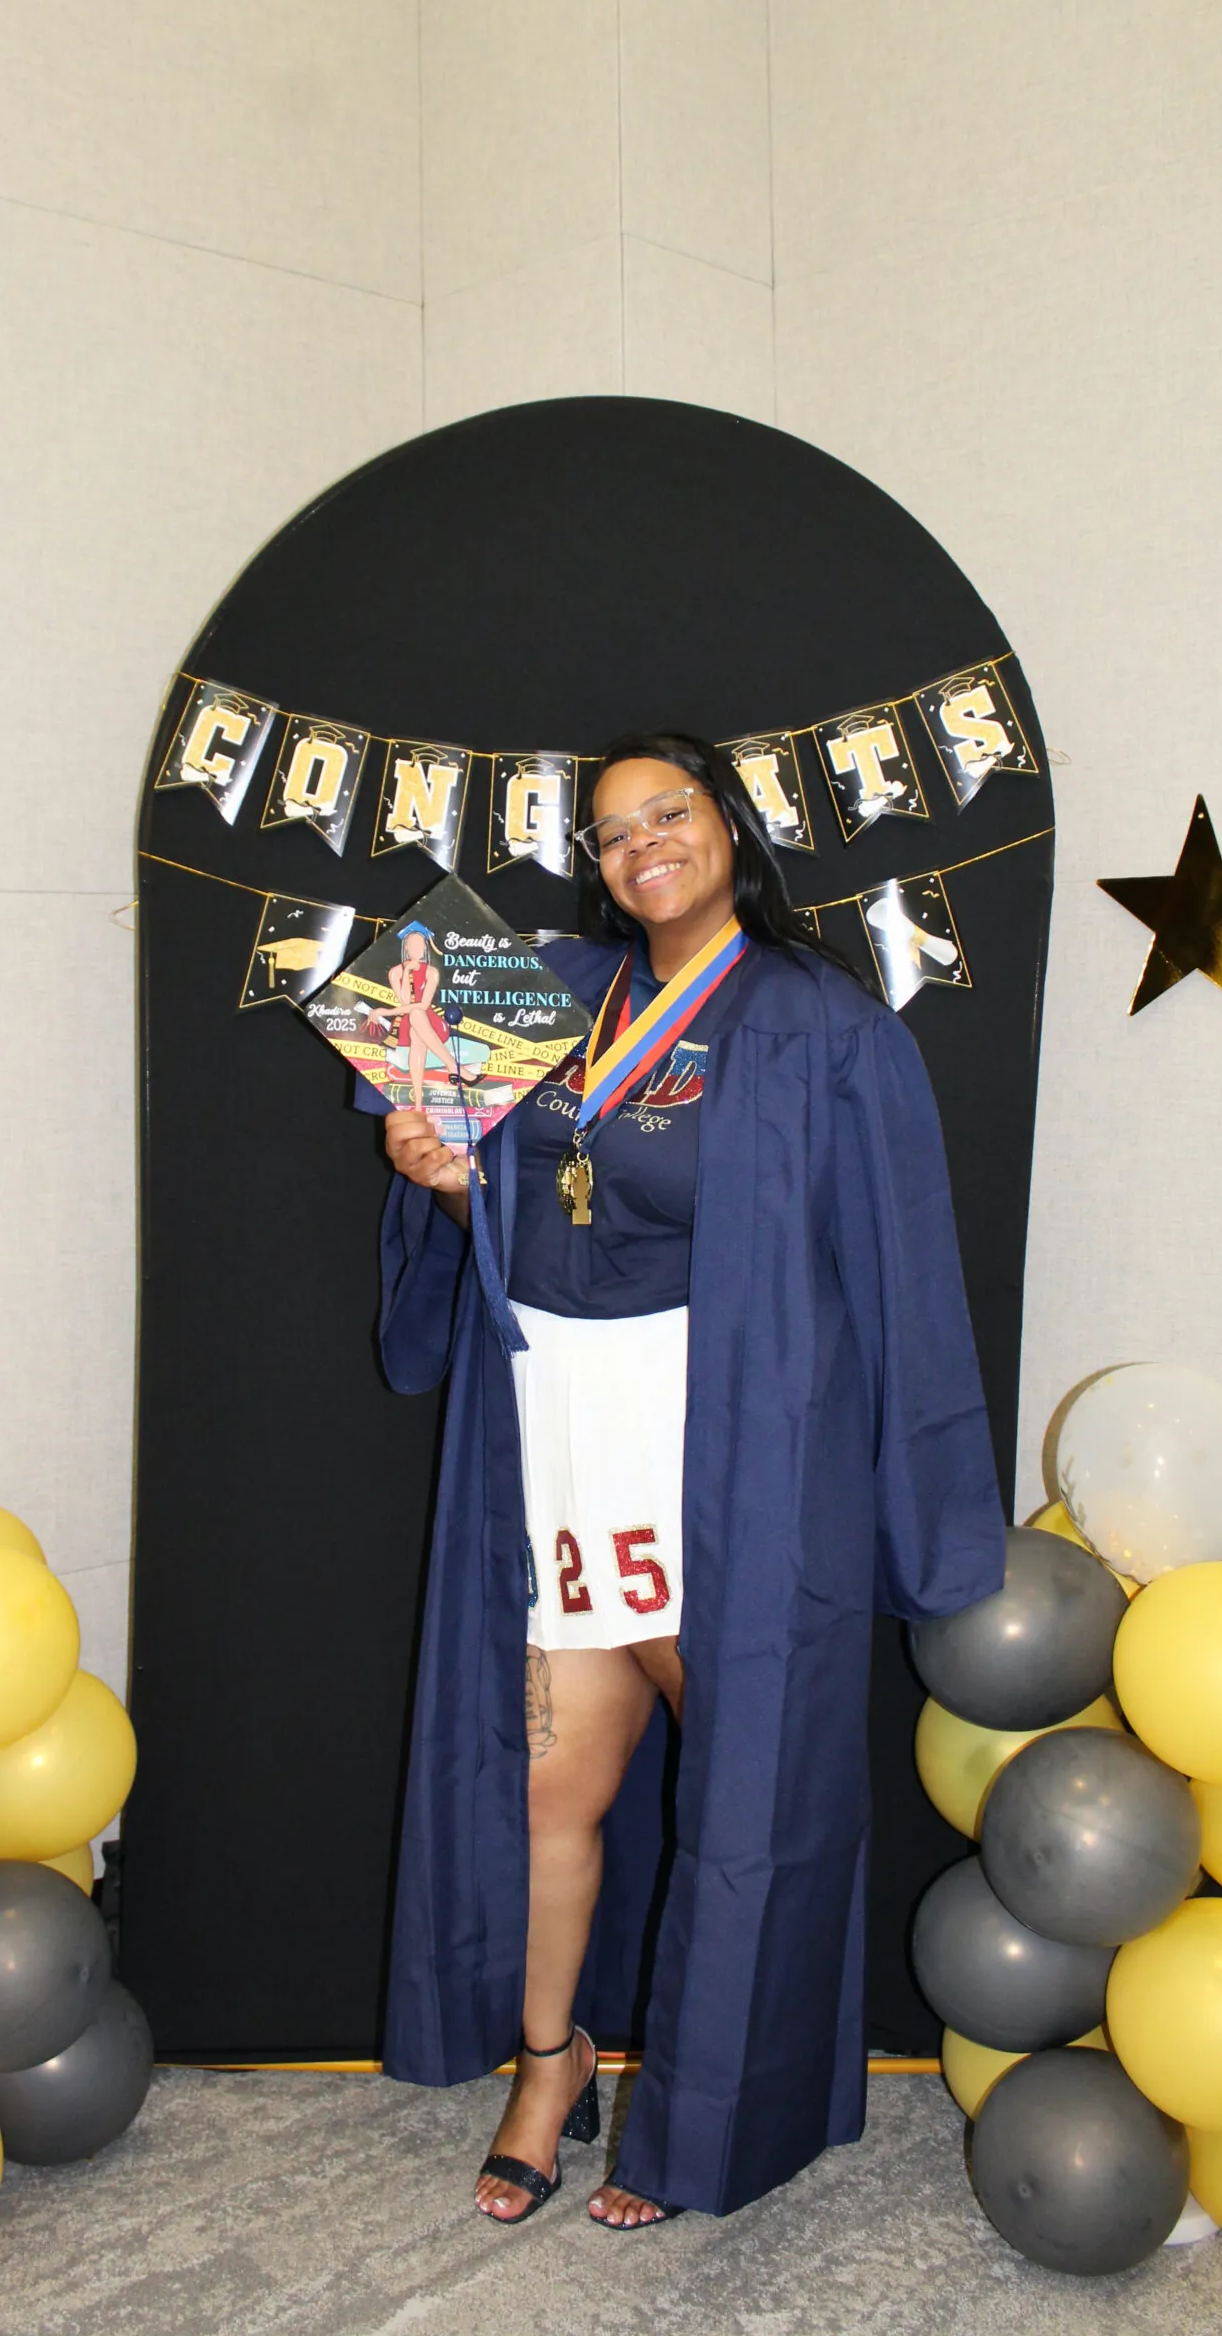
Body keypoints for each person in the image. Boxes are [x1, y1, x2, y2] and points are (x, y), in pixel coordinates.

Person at [370, 733, 1005, 2228]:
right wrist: (441, 1174)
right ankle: (550, 2061)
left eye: (667, 813)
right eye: (607, 832)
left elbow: (902, 1278)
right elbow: (510, 1192)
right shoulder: (542, 992)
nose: (639, 844)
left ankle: (710, 2106)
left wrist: (921, 1515)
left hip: (724, 1451)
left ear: (726, 826)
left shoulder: (818, 1029)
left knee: (745, 1793)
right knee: (546, 1782)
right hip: (565, 1439)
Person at [387, 922, 453, 1111]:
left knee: (418, 1016)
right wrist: (407, 972)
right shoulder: (395, 972)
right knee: (415, 1020)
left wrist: (386, 1012)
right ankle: (452, 1067)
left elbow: (424, 1005)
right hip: (406, 1021)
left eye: (421, 944)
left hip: (430, 1021)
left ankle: (418, 1103)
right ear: (406, 948)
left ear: (425, 948)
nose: (418, 948)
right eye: (413, 944)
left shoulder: (432, 972)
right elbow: (405, 1002)